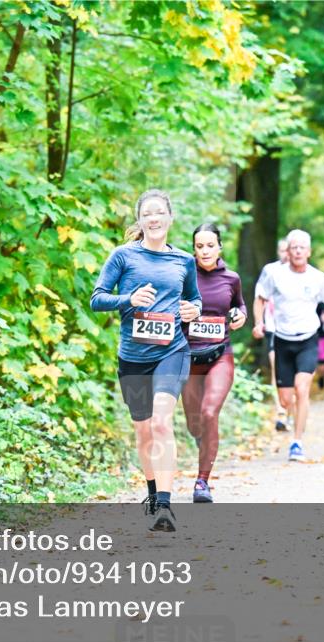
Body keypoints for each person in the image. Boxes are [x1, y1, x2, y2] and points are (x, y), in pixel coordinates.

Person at [90, 189, 202, 532]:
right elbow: (97, 299)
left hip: (172, 351)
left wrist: (193, 310)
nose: (153, 218)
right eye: (147, 214)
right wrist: (128, 299)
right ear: (140, 220)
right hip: (133, 357)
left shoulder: (183, 260)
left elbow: (194, 299)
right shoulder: (123, 256)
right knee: (143, 431)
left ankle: (165, 507)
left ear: (170, 218)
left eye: (159, 212)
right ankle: (153, 494)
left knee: (161, 423)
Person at [252, 230, 324, 462]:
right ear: (288, 252)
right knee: (285, 400)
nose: (298, 251)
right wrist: (259, 323)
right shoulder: (274, 274)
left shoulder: (317, 277)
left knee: (302, 389)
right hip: (283, 341)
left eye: (302, 247)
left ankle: (297, 442)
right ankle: (291, 416)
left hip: (308, 340)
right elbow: (260, 299)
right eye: (294, 247)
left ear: (309, 252)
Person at [182, 223, 246, 503]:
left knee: (209, 413)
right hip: (188, 357)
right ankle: (203, 439)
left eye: (210, 245)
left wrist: (241, 316)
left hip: (221, 354)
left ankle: (202, 481)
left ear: (219, 247)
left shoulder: (231, 278)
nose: (205, 251)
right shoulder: (183, 275)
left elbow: (240, 305)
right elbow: (166, 307)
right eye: (200, 246)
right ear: (194, 249)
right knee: (194, 424)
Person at [254, 240, 290, 431]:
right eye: (282, 250)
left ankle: (289, 409)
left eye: (287, 250)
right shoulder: (270, 271)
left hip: (296, 331)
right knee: (278, 369)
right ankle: (281, 412)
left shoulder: (301, 272)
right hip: (273, 328)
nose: (285, 254)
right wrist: (259, 322)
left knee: (293, 374)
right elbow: (259, 297)